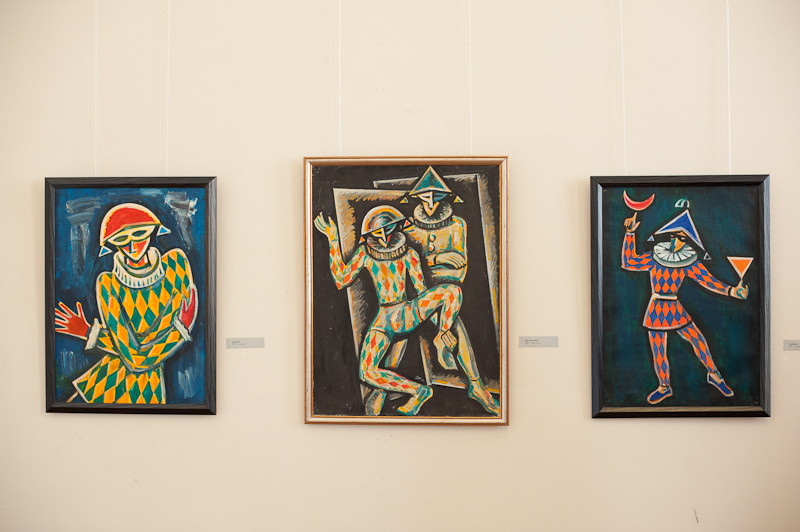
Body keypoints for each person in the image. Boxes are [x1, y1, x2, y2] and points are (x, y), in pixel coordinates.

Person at [314, 205, 461, 416]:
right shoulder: (365, 253)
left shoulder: (409, 254)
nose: (384, 236)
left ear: (397, 227)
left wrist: (442, 326)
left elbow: (421, 291)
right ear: (370, 234)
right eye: (378, 232)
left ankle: (441, 338)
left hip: (407, 312)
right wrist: (333, 239)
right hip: (384, 320)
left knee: (453, 291)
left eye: (388, 229)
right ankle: (418, 391)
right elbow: (340, 279)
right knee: (366, 371)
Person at [54, 203, 197, 404]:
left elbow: (136, 355)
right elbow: (133, 357)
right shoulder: (108, 283)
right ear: (112, 244)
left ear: (152, 231)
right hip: (107, 382)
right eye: (121, 239)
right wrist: (180, 330)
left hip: (148, 386)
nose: (132, 246)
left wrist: (90, 333)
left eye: (139, 234)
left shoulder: (176, 265)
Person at [621, 208, 748, 404]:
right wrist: (630, 234)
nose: (675, 241)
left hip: (674, 307)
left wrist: (732, 291)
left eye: (681, 238)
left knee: (698, 339)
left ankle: (714, 375)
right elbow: (629, 262)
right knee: (658, 350)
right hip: (656, 308)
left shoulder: (689, 261)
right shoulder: (655, 256)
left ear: (687, 241)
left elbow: (708, 281)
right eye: (673, 236)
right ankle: (664, 386)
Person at [401, 167, 500, 415]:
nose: (430, 201)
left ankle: (474, 383)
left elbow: (460, 266)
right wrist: (438, 259)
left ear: (444, 197)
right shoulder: (409, 228)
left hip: (447, 289)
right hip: (418, 292)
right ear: (417, 198)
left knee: (454, 321)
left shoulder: (457, 225)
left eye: (435, 196)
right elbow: (407, 264)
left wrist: (435, 262)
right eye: (425, 196)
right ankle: (474, 383)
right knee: (401, 331)